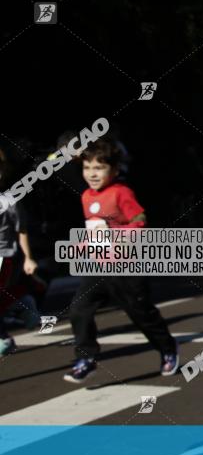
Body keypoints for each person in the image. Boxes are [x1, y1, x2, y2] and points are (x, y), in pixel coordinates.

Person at [65, 139, 178, 382]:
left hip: (126, 266)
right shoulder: (86, 196)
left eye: (99, 168)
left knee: (141, 314)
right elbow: (96, 229)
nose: (92, 174)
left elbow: (140, 222)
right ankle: (86, 358)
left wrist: (118, 239)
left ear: (114, 170)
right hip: (98, 266)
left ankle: (167, 349)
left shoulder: (121, 193)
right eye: (87, 168)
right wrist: (84, 245)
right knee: (78, 309)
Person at [0, 193, 39, 355]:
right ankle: (21, 301)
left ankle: (3, 339)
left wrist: (28, 258)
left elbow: (21, 230)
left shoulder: (8, 201)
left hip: (4, 255)